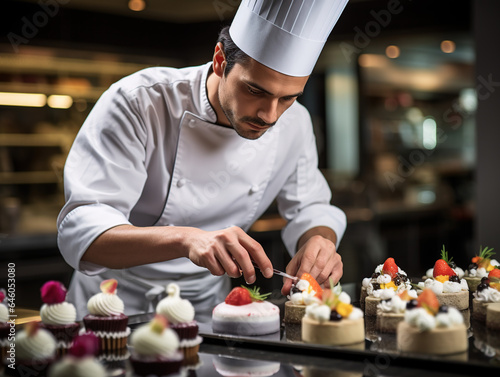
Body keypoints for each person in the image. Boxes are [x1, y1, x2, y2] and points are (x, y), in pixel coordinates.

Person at [57, 0, 350, 322]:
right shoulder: (139, 101)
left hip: (209, 308)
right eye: (255, 90)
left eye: (288, 98)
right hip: (113, 303)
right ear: (220, 61)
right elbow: (82, 234)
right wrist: (188, 238)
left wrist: (319, 241)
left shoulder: (295, 122)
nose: (270, 115)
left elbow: (310, 207)